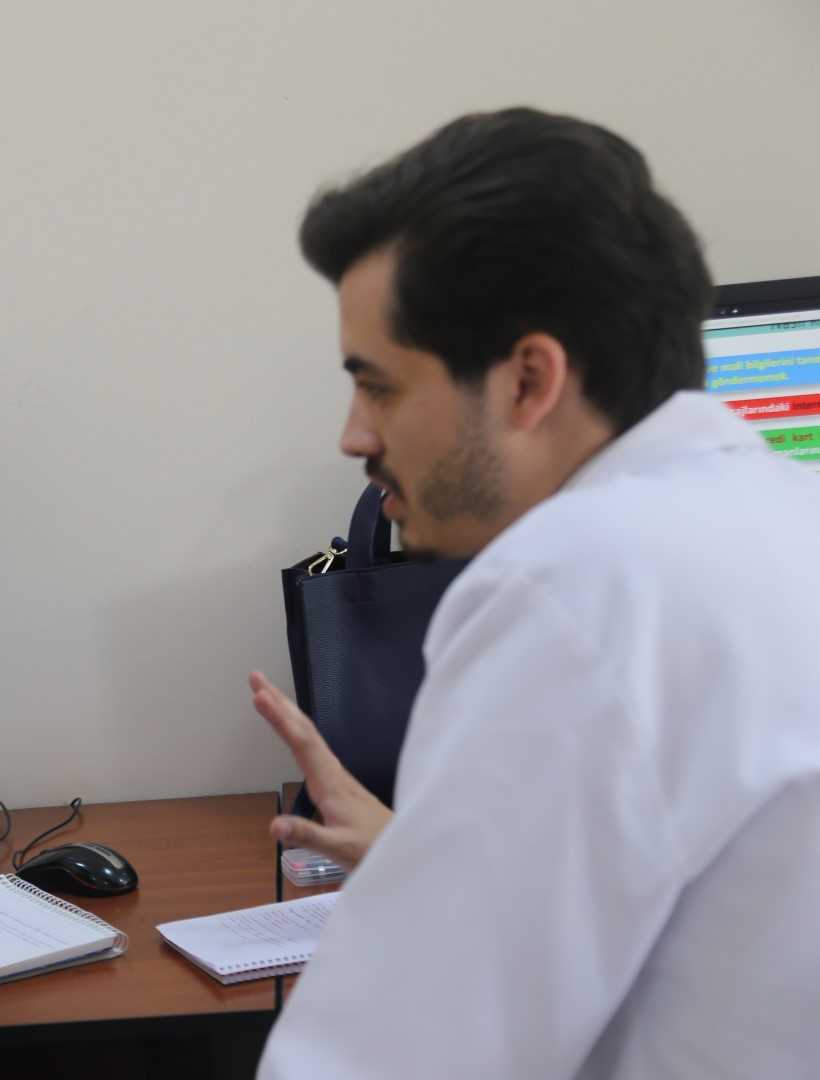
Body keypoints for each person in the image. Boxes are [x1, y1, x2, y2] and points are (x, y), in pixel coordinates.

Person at [250, 108, 820, 1077]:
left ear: (527, 381)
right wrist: (426, 860)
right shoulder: (783, 511)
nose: (354, 435)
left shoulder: (577, 586)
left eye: (379, 386)